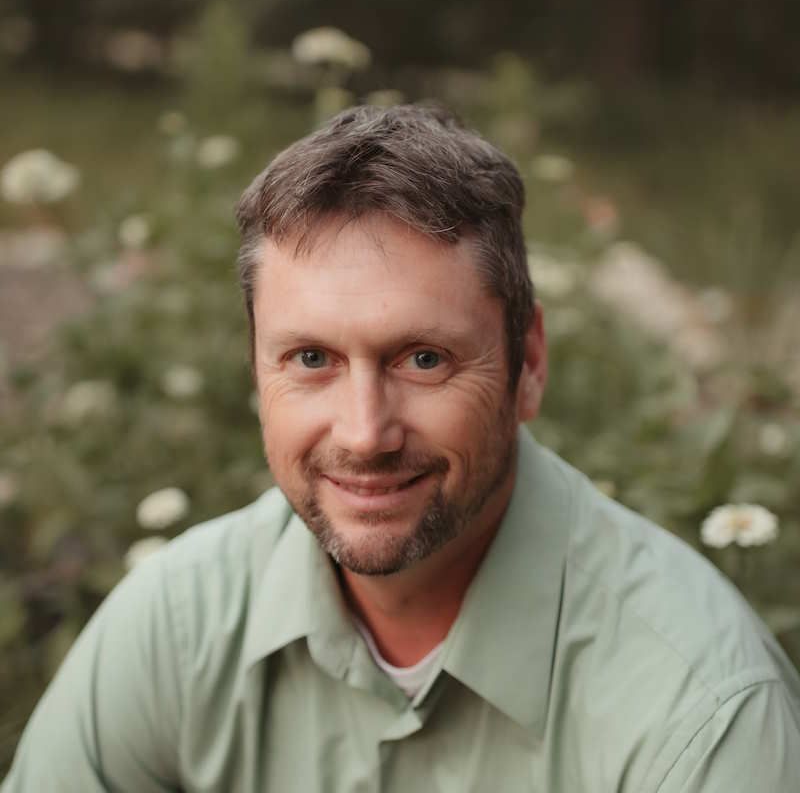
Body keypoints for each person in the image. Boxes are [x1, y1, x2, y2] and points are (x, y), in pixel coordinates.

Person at [3, 104, 800, 792]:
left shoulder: (703, 712)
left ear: (528, 364)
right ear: (255, 368)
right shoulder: (176, 626)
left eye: (424, 359)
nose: (364, 433)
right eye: (310, 359)